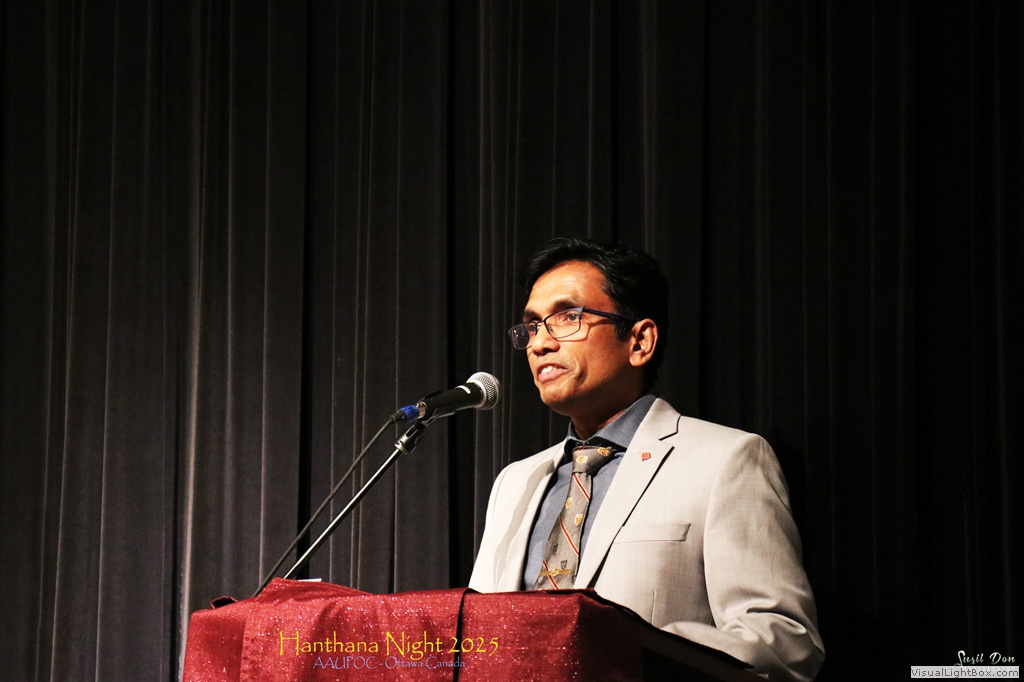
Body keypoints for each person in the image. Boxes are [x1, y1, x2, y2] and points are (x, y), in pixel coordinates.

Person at [468, 237, 825, 682]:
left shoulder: (726, 460)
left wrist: (627, 649)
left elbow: (784, 642)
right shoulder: (514, 482)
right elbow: (478, 637)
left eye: (568, 317)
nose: (540, 343)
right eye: (532, 326)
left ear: (639, 340)